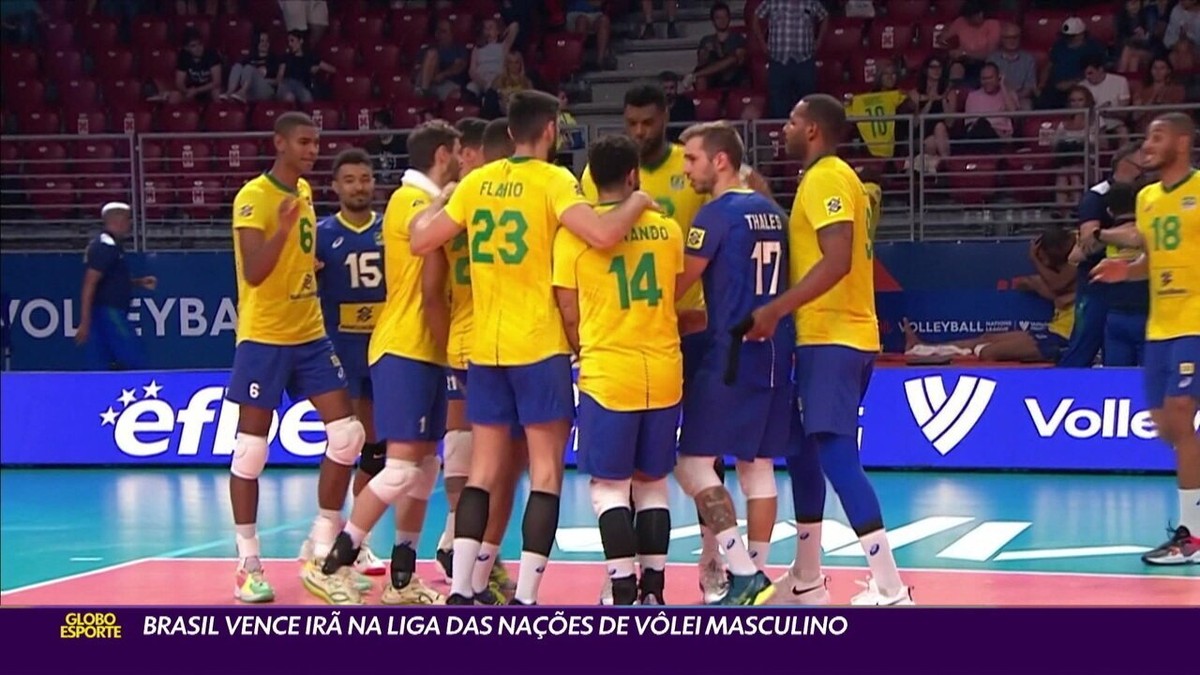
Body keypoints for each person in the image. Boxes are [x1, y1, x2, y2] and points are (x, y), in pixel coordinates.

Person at [410, 90, 658, 606]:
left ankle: (462, 591)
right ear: (549, 130)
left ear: (509, 132)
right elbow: (603, 234)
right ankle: (524, 598)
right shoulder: (554, 180)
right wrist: (637, 201)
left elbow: (420, 241)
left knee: (482, 473)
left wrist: (440, 199)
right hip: (540, 346)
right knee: (545, 475)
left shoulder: (476, 182)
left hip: (486, 347)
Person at [581, 81, 771, 603]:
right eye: (631, 123)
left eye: (648, 122)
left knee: (695, 458)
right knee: (646, 470)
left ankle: (714, 564)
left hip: (686, 330)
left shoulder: (699, 174)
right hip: (650, 333)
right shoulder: (616, 186)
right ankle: (634, 574)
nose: (640, 131)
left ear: (666, 118)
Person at [745, 94, 914, 606]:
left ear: (813, 129)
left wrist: (776, 308)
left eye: (792, 121)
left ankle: (890, 587)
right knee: (802, 453)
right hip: (833, 337)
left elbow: (837, 259)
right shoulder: (826, 180)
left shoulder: (826, 177)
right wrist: (767, 201)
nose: (784, 128)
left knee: (838, 455)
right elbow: (811, 245)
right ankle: (807, 577)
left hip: (834, 337)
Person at [317, 121, 466, 605]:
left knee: (425, 468)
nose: (463, 159)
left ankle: (402, 578)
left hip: (428, 351)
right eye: (458, 152)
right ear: (442, 155)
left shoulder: (429, 200)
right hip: (405, 347)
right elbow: (424, 242)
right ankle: (330, 565)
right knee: (399, 469)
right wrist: (458, 196)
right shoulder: (409, 200)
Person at [225, 112, 365, 604]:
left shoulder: (304, 191)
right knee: (251, 450)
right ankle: (248, 564)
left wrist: (309, 263)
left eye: (316, 143)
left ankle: (322, 545)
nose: (312, 150)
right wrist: (283, 230)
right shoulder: (254, 197)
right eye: (303, 142)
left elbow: (292, 261)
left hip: (310, 333)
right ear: (279, 143)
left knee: (347, 436)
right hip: (264, 337)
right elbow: (255, 271)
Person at [552, 134, 684, 605]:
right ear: (634, 175)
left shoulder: (573, 237)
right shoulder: (667, 229)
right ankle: (655, 590)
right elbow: (672, 292)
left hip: (609, 372)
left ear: (591, 177)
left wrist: (582, 349)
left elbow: (569, 313)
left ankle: (622, 588)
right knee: (653, 485)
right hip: (664, 369)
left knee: (608, 489)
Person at [674, 121, 794, 605]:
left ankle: (744, 573)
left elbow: (679, 282)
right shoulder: (773, 211)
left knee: (691, 465)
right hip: (775, 350)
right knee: (758, 466)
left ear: (720, 160)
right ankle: (758, 577)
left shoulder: (714, 215)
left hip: (731, 352)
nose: (686, 169)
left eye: (692, 159)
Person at [1092, 112, 1199, 566]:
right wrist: (1127, 270)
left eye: (1158, 137)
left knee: (1181, 411)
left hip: (1195, 322)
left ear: (1183, 142)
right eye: (1147, 138)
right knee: (1166, 427)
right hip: (1160, 327)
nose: (1148, 145)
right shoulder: (1148, 197)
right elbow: (1153, 259)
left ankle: (1192, 536)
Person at [431, 117, 519, 604]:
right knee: (489, 457)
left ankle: (463, 547)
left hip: (478, 335)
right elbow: (430, 286)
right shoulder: (483, 197)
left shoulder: (455, 201)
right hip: (491, 338)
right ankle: (464, 550)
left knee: (483, 453)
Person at [312, 148, 389, 579]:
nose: (359, 186)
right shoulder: (321, 234)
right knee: (347, 442)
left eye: (365, 178)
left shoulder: (389, 229)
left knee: (377, 450)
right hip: (342, 354)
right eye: (350, 180)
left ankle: (356, 541)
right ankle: (327, 532)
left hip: (385, 353)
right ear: (335, 187)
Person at [904, 227, 1078, 364]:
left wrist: (1034, 259)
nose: (1042, 262)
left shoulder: (1079, 262)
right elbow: (1052, 292)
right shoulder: (1064, 276)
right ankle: (922, 348)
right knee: (986, 338)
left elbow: (1058, 286)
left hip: (1066, 339)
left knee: (987, 352)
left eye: (1042, 257)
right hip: (1053, 331)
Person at [1059, 144, 1147, 367]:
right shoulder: (1097, 196)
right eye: (1143, 158)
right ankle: (1063, 386)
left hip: (1138, 288)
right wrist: (1119, 235)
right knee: (1083, 346)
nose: (1149, 163)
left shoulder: (1149, 192)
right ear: (1126, 163)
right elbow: (1086, 244)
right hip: (1097, 285)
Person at [76, 202, 155, 371]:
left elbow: (111, 279)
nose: (130, 225)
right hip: (110, 312)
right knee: (133, 356)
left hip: (108, 311)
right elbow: (89, 284)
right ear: (117, 220)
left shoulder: (113, 246)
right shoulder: (105, 247)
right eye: (127, 220)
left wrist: (138, 282)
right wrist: (85, 321)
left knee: (103, 360)